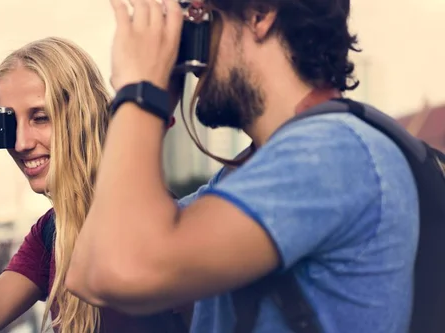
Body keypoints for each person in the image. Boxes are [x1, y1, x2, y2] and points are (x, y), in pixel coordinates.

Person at [65, 1, 419, 333]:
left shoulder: (335, 151)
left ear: (260, 13)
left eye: (198, 17)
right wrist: (155, 99)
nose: (191, 53)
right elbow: (86, 272)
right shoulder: (243, 177)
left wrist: (140, 91)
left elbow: (124, 269)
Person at [0, 37, 188, 333]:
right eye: (11, 125)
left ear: (84, 114)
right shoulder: (51, 232)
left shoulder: (147, 215)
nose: (21, 143)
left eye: (40, 118)